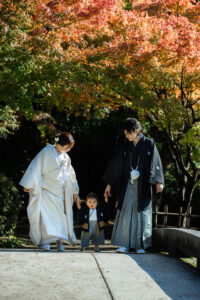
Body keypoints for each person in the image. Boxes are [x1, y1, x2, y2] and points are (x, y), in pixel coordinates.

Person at [103, 118, 164, 254]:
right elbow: (116, 165)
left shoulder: (149, 144)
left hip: (142, 186)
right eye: (125, 134)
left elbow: (156, 163)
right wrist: (109, 183)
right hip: (128, 185)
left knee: (141, 214)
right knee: (126, 212)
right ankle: (124, 243)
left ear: (137, 131)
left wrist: (159, 181)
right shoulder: (126, 146)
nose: (127, 136)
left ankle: (140, 245)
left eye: (128, 134)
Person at [19, 132, 81, 251]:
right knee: (45, 218)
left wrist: (74, 191)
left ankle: (59, 242)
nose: (68, 150)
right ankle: (44, 242)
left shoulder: (66, 157)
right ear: (60, 144)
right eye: (67, 147)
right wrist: (29, 184)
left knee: (60, 218)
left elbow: (71, 175)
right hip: (45, 190)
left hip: (59, 192)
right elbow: (35, 167)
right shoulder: (45, 152)